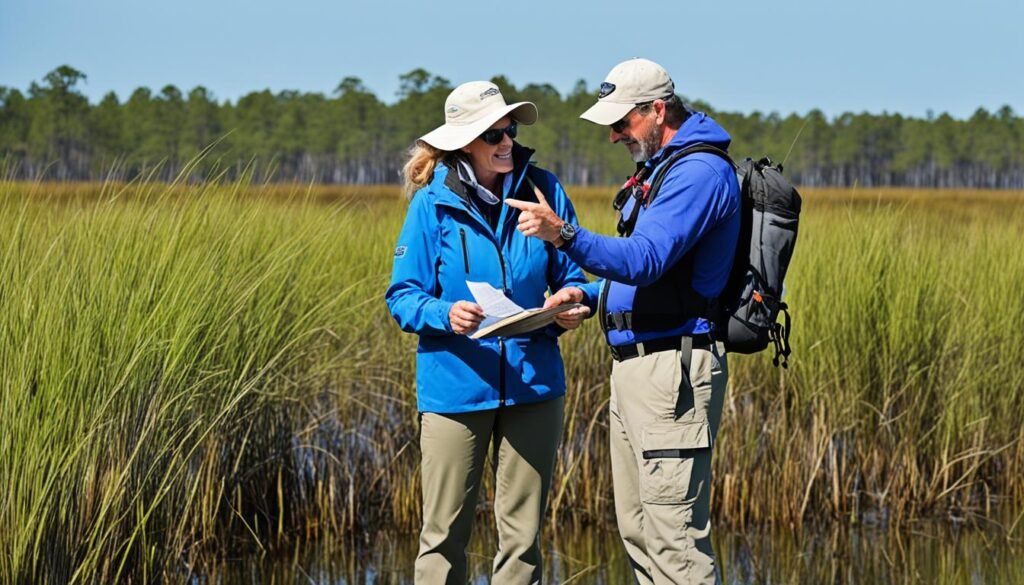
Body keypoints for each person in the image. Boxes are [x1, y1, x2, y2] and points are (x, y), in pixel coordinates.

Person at [506, 58, 741, 585]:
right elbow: (647, 274)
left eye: (622, 123)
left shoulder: (699, 173)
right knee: (639, 534)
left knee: (674, 543)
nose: (613, 136)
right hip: (637, 372)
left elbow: (645, 259)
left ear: (658, 111)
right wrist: (589, 294)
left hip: (671, 375)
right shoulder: (662, 168)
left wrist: (563, 235)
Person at [385, 80, 591, 585]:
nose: (507, 142)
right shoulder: (430, 205)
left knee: (522, 541)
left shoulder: (545, 190)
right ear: (463, 143)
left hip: (534, 387)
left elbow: (573, 274)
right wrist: (444, 314)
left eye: (510, 130)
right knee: (443, 536)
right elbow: (402, 295)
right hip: (455, 389)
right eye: (493, 133)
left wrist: (570, 303)